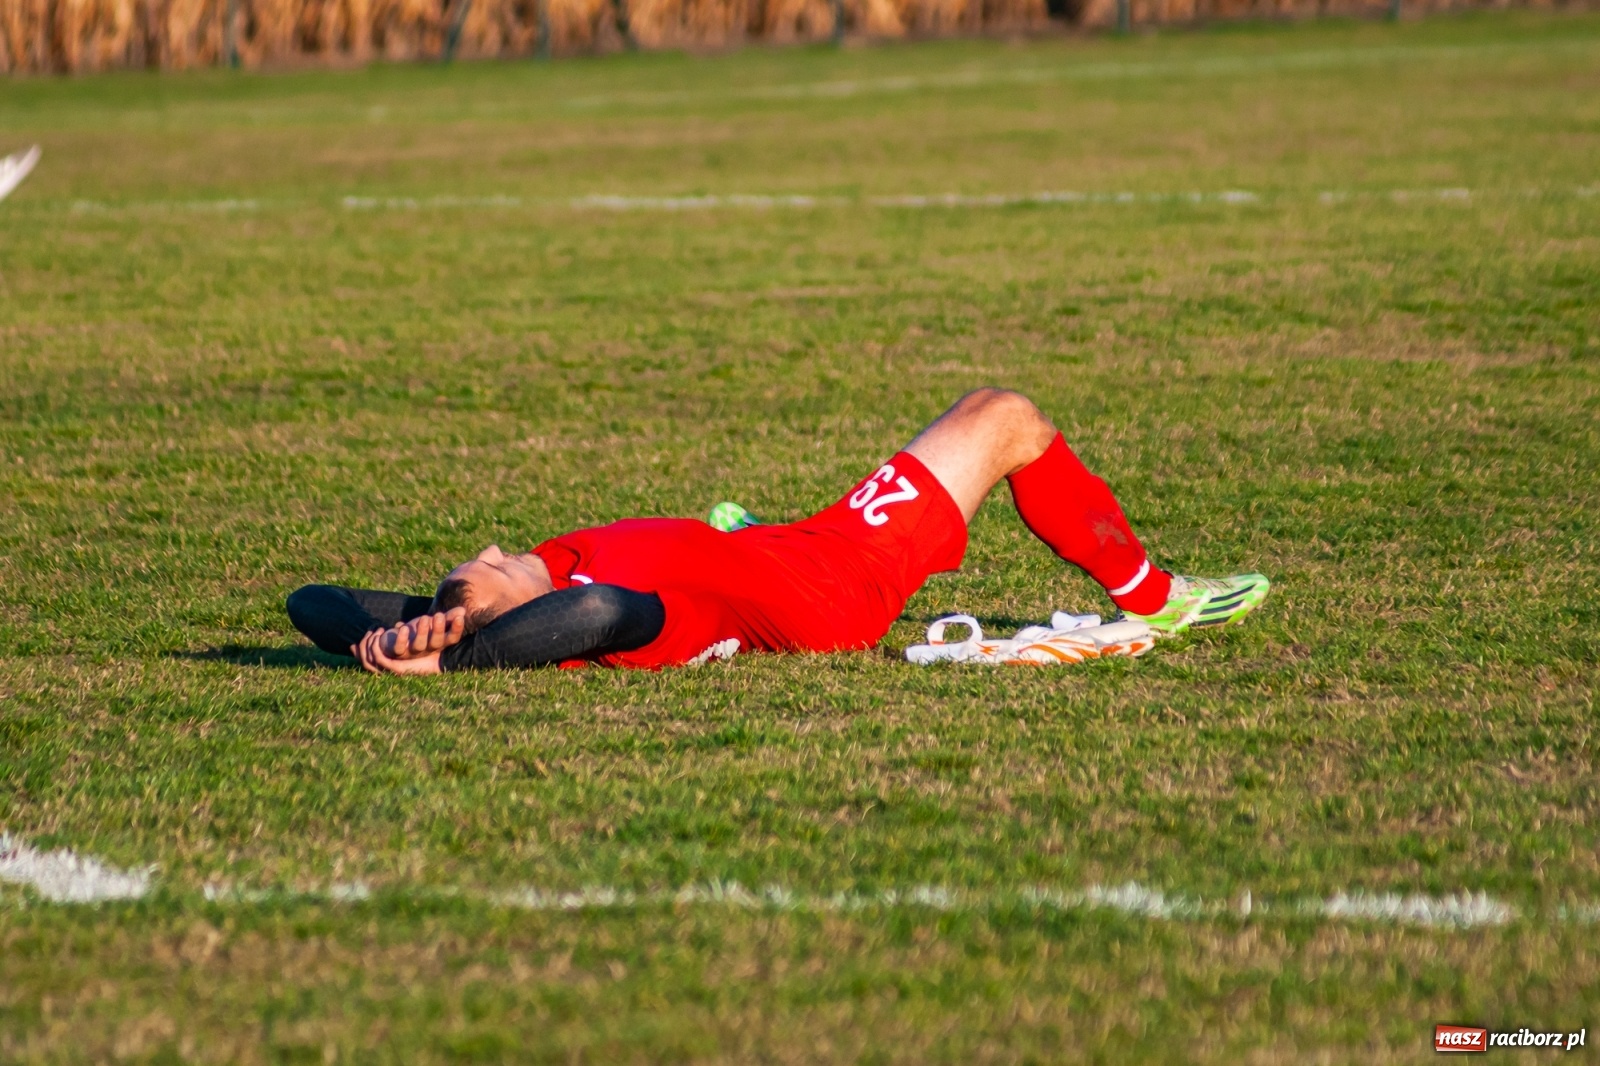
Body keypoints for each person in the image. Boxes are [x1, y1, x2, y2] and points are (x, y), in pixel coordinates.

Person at [285, 389, 1269, 674]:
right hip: (840, 580)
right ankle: (1156, 599)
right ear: (515, 616)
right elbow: (595, 615)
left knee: (995, 416)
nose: (500, 550)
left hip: (790, 542)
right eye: (495, 567)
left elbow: (311, 603)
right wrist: (456, 660)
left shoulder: (537, 582)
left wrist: (406, 630)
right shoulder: (621, 621)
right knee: (1004, 418)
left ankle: (751, 530)